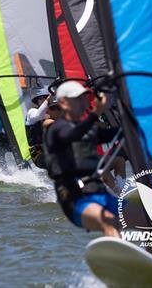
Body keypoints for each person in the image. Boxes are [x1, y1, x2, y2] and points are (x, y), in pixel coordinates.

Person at [43, 80, 122, 237]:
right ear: (64, 103)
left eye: (83, 99)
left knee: (148, 218)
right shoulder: (56, 128)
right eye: (77, 99)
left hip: (99, 191)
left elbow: (115, 133)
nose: (82, 102)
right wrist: (95, 113)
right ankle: (123, 259)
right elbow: (73, 135)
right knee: (109, 221)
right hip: (74, 197)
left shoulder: (89, 128)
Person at [24, 87, 53, 169]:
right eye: (41, 98)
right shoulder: (32, 112)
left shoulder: (55, 111)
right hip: (39, 154)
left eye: (45, 97)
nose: (44, 100)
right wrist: (47, 100)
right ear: (37, 101)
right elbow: (39, 115)